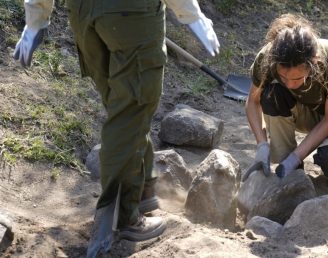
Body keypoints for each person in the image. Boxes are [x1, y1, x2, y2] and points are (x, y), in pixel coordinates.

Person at [13, 0, 220, 257]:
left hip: (84, 17)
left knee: (125, 110)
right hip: (130, 17)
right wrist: (192, 15)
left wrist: (35, 20)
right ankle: (121, 221)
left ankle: (143, 191)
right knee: (132, 109)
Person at [243, 14, 328, 191]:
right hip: (310, 113)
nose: (290, 84)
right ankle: (289, 168)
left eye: (297, 78)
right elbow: (253, 102)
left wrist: (296, 157)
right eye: (284, 77)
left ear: (314, 63)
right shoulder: (268, 58)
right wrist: (261, 145)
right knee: (271, 94)